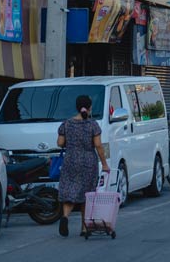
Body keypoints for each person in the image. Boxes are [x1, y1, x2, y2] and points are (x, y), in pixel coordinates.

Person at [57, 94, 110, 237]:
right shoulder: (92, 124)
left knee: (70, 190)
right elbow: (98, 145)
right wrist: (104, 164)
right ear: (90, 107)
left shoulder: (66, 123)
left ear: (77, 107)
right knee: (87, 194)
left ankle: (65, 216)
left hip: (70, 160)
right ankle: (84, 228)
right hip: (88, 161)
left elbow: (60, 143)